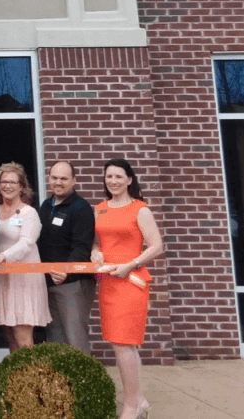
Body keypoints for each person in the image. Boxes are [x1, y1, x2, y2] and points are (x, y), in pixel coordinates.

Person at [91, 159, 163, 419]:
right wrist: (95, 253)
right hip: (108, 283)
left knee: (123, 344)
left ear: (130, 179)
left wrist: (130, 264)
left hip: (131, 281)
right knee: (121, 345)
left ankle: (131, 405)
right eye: (109, 176)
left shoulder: (139, 209)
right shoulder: (99, 209)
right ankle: (139, 399)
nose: (113, 181)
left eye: (119, 176)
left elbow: (156, 246)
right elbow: (97, 243)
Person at [0, 162, 50, 351]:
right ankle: (16, 379)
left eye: (13, 182)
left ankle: (32, 380)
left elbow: (26, 243)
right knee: (8, 335)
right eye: (3, 181)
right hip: (2, 278)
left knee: (22, 337)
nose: (8, 186)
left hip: (23, 279)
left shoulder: (30, 213)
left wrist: (3, 256)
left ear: (22, 186)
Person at [37, 161, 96, 354]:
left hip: (73, 283)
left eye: (63, 178)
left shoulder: (81, 208)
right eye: (54, 178)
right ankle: (61, 384)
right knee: (55, 338)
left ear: (74, 181)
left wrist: (66, 271)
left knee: (75, 338)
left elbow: (81, 247)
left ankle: (84, 383)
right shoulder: (46, 206)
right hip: (49, 282)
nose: (58, 182)